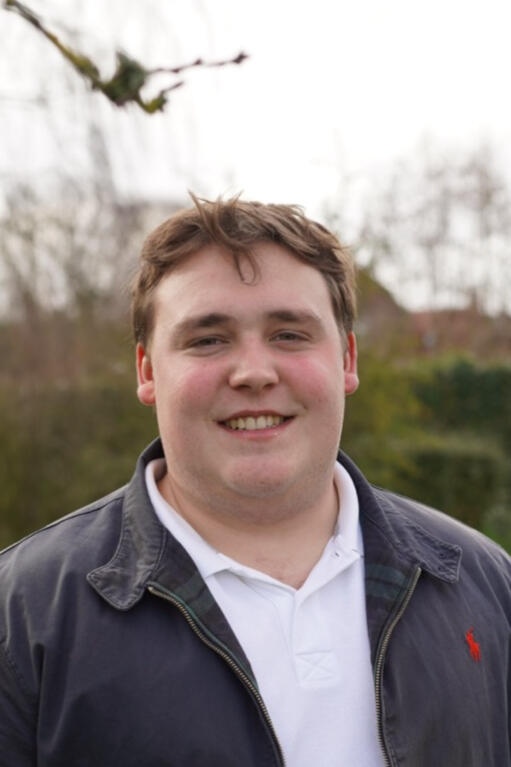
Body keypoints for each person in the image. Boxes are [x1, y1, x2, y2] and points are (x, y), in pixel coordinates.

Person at [0, 195, 509, 767]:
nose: (254, 373)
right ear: (147, 370)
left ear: (347, 359)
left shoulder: (485, 584)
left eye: (289, 334)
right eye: (207, 340)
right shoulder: (22, 616)